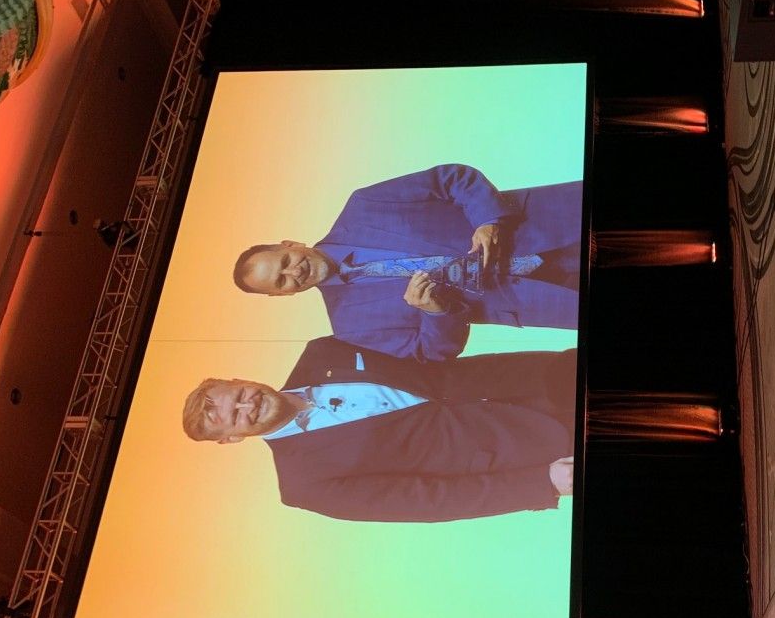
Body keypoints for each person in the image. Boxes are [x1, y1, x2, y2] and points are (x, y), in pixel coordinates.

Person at [181, 336, 577, 523]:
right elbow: (430, 502)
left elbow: (425, 342)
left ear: (239, 379)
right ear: (231, 439)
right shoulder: (303, 485)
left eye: (239, 394)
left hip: (536, 374)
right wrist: (541, 483)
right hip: (536, 451)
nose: (248, 404)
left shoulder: (323, 351)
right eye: (234, 416)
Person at [232, 164, 583, 361]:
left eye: (286, 261)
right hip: (543, 301)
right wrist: (435, 312)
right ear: (283, 296)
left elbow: (451, 178)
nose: (295, 272)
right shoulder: (351, 328)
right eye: (282, 281)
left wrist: (486, 221)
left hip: (554, 219)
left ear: (290, 243)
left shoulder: (364, 204)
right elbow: (431, 353)